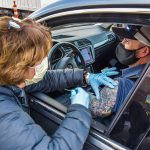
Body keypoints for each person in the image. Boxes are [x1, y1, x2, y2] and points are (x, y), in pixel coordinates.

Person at [0, 16, 118, 150]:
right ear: (19, 68)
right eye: (41, 59)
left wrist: (85, 76)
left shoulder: (10, 80)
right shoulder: (5, 116)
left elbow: (48, 79)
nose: (46, 61)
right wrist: (79, 110)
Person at [89, 25, 150, 118]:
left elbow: (88, 109)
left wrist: (82, 82)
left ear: (144, 51)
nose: (122, 42)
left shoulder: (122, 85)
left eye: (127, 40)